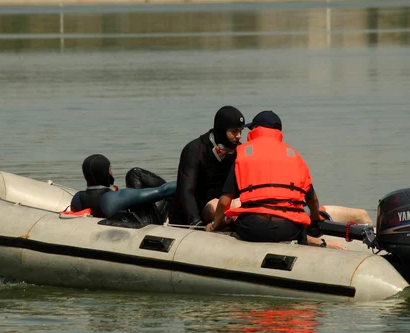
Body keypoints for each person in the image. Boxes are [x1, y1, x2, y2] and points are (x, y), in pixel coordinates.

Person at [205, 111, 346, 249]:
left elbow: (224, 201)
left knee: (233, 220)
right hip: (288, 229)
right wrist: (315, 219)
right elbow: (312, 199)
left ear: (255, 129)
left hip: (254, 228)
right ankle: (312, 241)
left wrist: (214, 225)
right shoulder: (294, 156)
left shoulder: (242, 154)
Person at [168, 106, 246, 226]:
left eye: (240, 131)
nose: (239, 136)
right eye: (234, 131)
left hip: (222, 209)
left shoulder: (240, 151)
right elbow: (187, 191)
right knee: (213, 207)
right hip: (193, 214)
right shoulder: (194, 150)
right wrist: (195, 221)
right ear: (221, 130)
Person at [69, 154, 173, 224]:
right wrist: (185, 182)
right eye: (110, 169)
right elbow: (163, 191)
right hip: (145, 228)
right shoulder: (112, 198)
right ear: (107, 173)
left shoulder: (78, 198)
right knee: (135, 174)